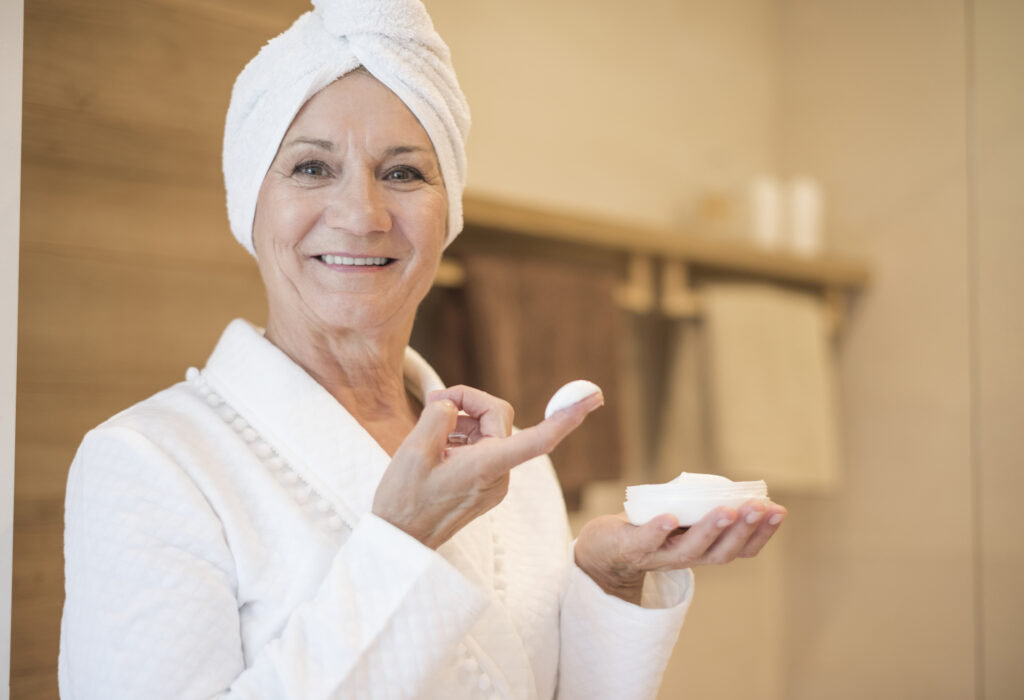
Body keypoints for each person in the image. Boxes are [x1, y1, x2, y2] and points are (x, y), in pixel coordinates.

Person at [58, 1, 786, 698]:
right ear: (250, 203)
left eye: (403, 172)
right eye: (312, 167)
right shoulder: (149, 464)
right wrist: (402, 541)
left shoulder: (502, 464)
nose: (362, 215)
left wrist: (609, 580)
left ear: (449, 213)